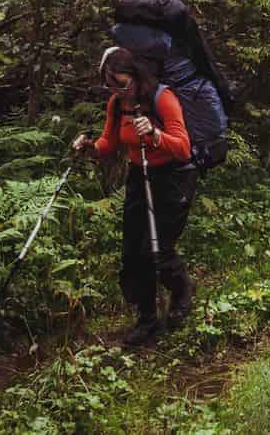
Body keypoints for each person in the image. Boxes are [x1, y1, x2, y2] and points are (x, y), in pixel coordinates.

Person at [72, 47, 197, 346]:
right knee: (132, 251)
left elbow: (183, 147)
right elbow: (109, 142)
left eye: (121, 83)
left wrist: (155, 135)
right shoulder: (116, 104)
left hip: (172, 178)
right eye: (110, 84)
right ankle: (147, 320)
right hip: (138, 177)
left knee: (156, 249)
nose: (117, 90)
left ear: (137, 77)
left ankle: (182, 291)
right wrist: (89, 147)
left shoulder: (162, 98)